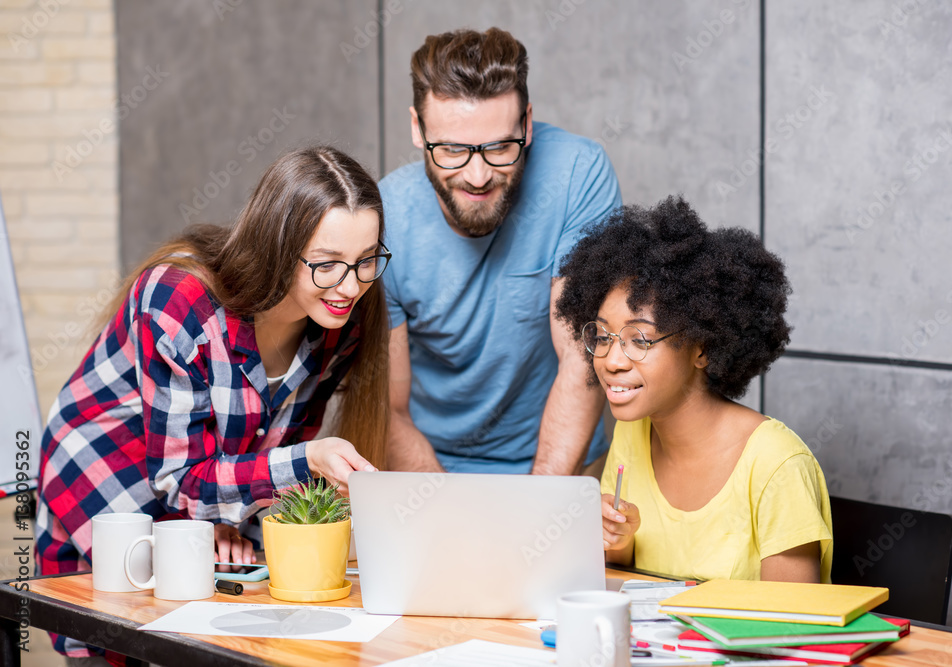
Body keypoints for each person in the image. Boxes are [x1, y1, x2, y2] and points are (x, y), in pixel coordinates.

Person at [37, 146, 390, 661]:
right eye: (327, 264)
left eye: (366, 261)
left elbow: (266, 447)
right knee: (138, 626)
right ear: (277, 246)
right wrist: (305, 464)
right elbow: (180, 479)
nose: (351, 285)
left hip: (207, 487)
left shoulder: (342, 321)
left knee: (234, 624)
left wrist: (224, 517)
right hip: (112, 465)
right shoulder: (179, 301)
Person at [380, 27, 622, 474]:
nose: (477, 175)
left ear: (527, 124)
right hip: (427, 469)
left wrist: (533, 514)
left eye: (498, 147)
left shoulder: (578, 176)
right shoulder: (384, 217)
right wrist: (442, 511)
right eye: (451, 149)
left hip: (560, 463)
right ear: (418, 129)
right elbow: (388, 408)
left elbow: (580, 355)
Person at [555, 196, 833, 583]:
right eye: (602, 335)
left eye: (639, 339)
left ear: (702, 347)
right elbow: (623, 580)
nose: (611, 360)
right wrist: (619, 538)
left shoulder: (776, 464)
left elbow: (794, 624)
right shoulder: (631, 433)